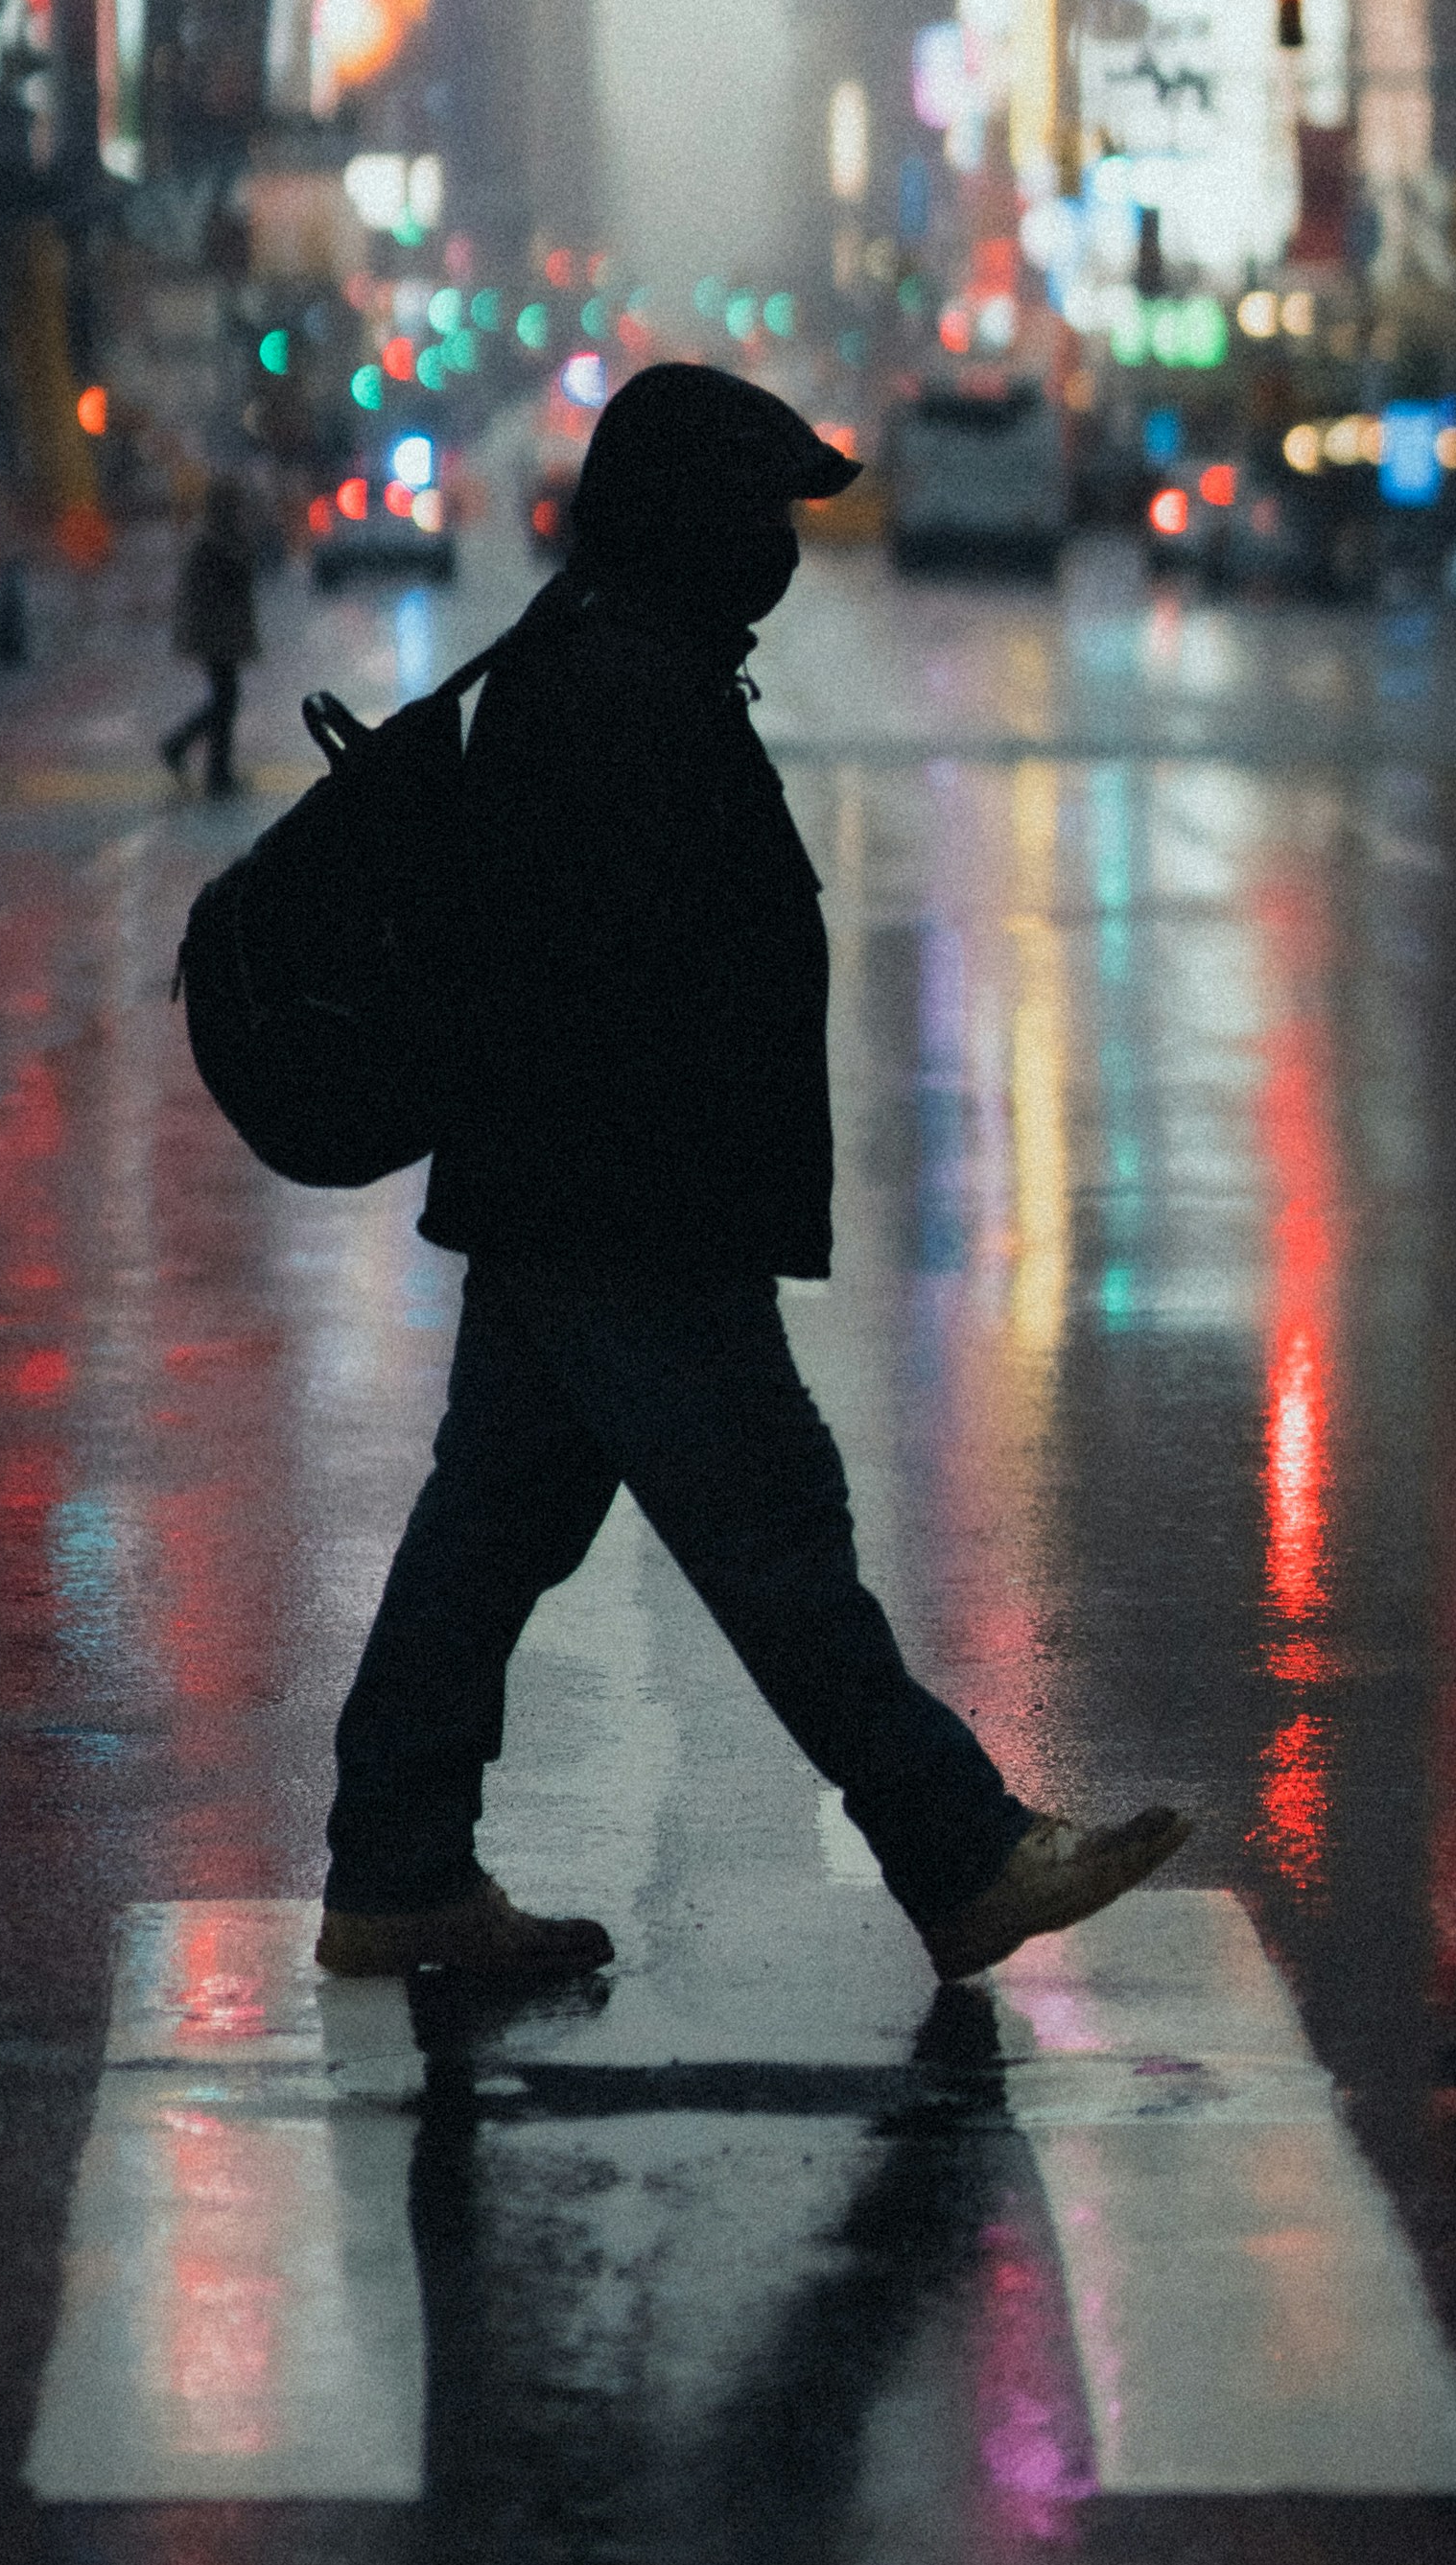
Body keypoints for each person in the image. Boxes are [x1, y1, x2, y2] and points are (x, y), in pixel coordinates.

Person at [317, 357, 1189, 1991]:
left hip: (575, 1200)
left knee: (487, 1532)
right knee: (774, 1539)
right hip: (631, 1215)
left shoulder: (614, 665)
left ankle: (395, 1867)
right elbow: (632, 981)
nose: (781, 545)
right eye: (761, 509)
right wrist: (711, 1198)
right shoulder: (622, 695)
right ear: (685, 519)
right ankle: (961, 1848)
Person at [161, 475, 263, 797]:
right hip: (217, 637)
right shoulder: (215, 543)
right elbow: (236, 578)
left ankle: (194, 755)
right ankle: (210, 768)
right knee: (226, 700)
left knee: (225, 700)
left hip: (219, 635)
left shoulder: (216, 540)